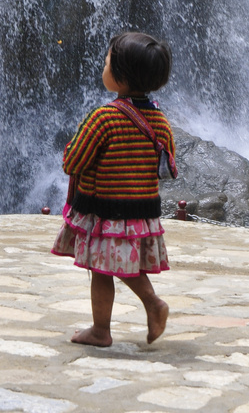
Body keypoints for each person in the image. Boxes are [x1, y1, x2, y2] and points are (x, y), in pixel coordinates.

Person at [51, 30, 176, 347]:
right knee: (117, 265)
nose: (103, 66)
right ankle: (134, 313)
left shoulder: (104, 118)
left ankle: (108, 326)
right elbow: (168, 163)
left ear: (120, 77)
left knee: (103, 269)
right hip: (140, 210)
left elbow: (73, 162)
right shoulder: (159, 120)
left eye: (107, 62)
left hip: (105, 210)